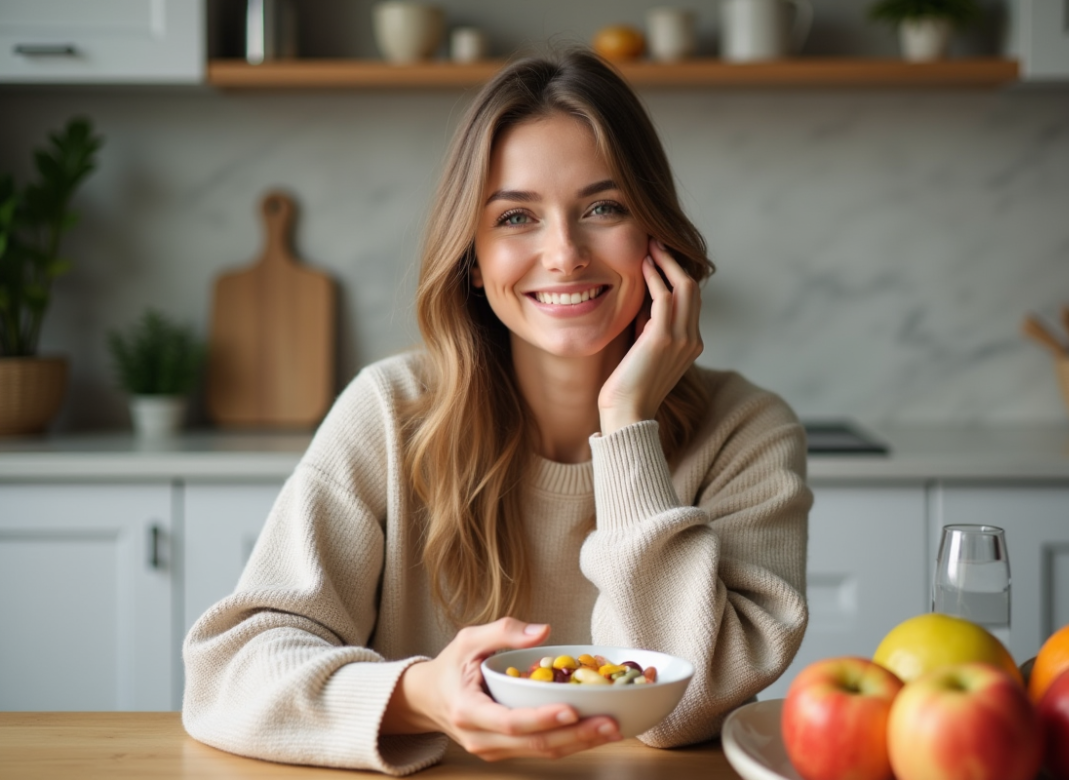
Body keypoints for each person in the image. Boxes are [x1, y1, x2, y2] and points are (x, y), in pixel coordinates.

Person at [183, 47, 811, 775]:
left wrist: (627, 422)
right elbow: (226, 674)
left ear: (656, 236)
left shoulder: (749, 432)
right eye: (517, 217)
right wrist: (423, 695)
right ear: (474, 261)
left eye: (603, 208)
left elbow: (685, 706)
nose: (565, 254)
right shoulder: (390, 412)